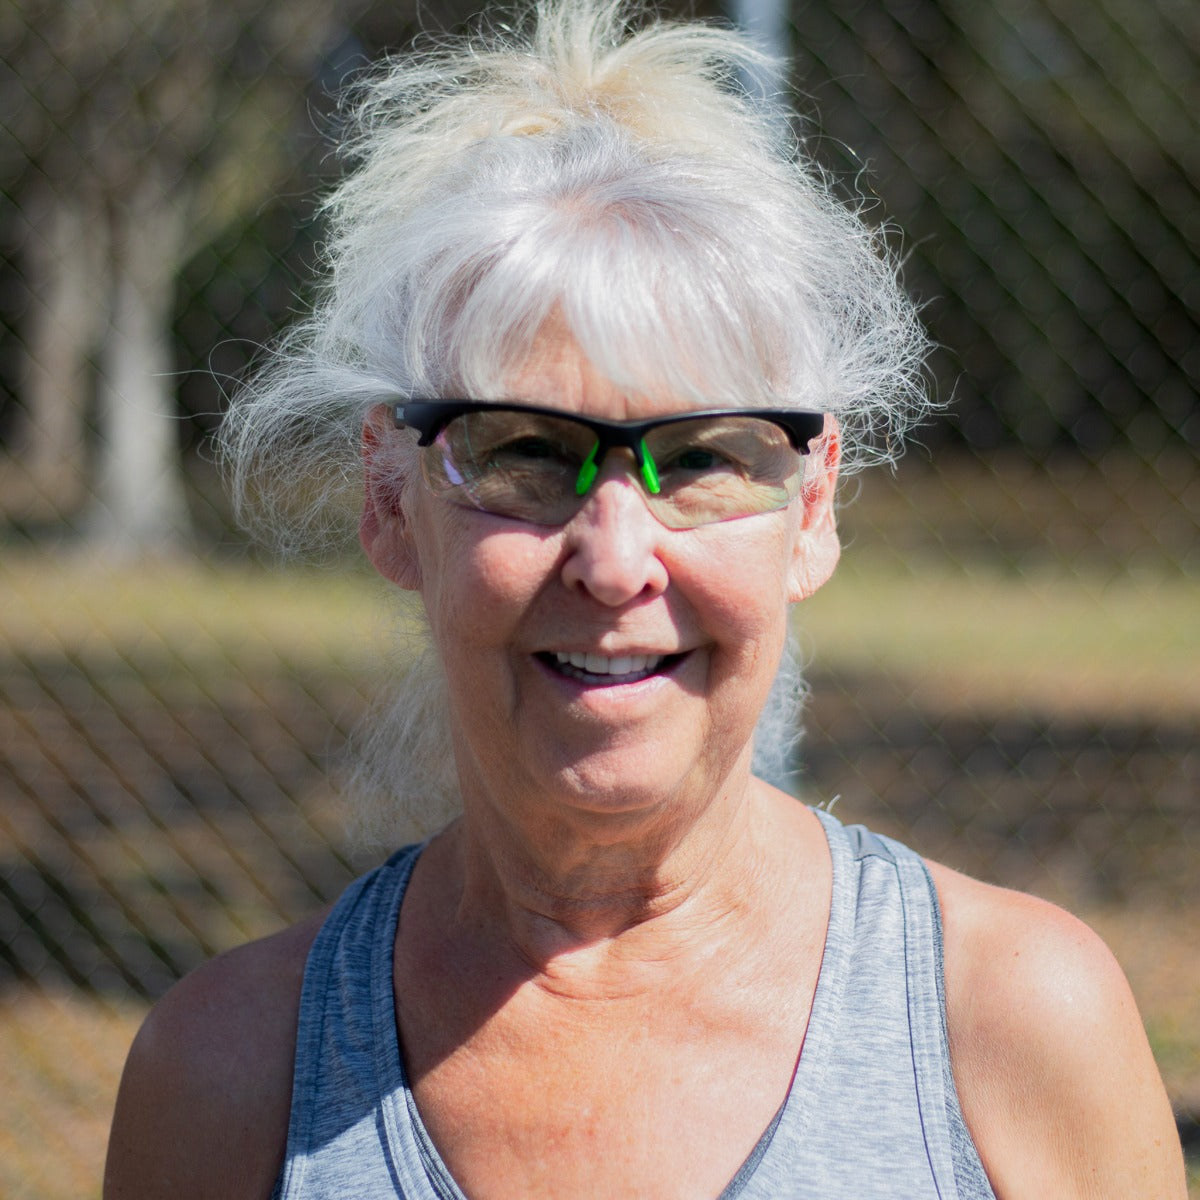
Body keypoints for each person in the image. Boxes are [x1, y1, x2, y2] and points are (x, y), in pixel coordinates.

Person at [104, 2, 1185, 1196]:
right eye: (519, 451)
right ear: (388, 499)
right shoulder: (226, 1076)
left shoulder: (1015, 1024)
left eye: (711, 458)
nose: (616, 561)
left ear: (813, 508)